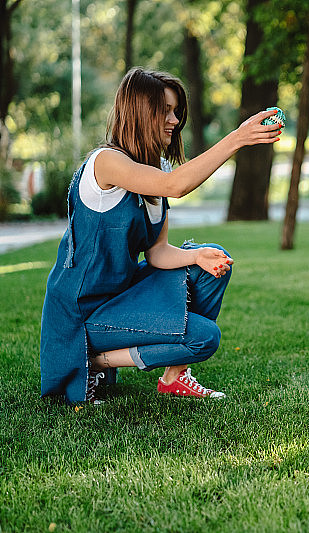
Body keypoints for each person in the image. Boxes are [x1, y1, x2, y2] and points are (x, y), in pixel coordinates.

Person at [40, 68, 282, 405]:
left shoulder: (156, 170)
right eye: (164, 111)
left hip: (120, 298)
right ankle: (92, 359)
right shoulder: (106, 163)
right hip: (81, 314)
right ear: (140, 112)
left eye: (176, 111)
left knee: (209, 261)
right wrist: (238, 137)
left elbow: (157, 253)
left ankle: (174, 377)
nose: (174, 119)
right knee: (205, 338)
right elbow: (176, 186)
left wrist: (196, 257)